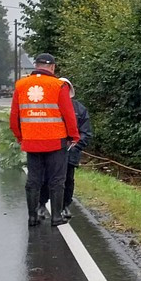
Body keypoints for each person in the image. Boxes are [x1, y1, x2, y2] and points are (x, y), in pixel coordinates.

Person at [10, 53, 79, 227]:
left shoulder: (21, 85)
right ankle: (56, 217)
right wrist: (74, 136)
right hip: (56, 142)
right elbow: (68, 114)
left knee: (33, 180)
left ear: (36, 65)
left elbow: (14, 117)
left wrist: (20, 137)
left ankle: (32, 217)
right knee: (57, 180)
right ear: (53, 67)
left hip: (31, 142)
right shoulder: (58, 85)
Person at [38, 78, 92, 221]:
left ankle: (65, 205)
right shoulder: (47, 107)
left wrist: (76, 145)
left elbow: (86, 132)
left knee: (68, 180)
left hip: (70, 152)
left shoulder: (80, 109)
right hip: (50, 150)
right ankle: (41, 204)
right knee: (45, 178)